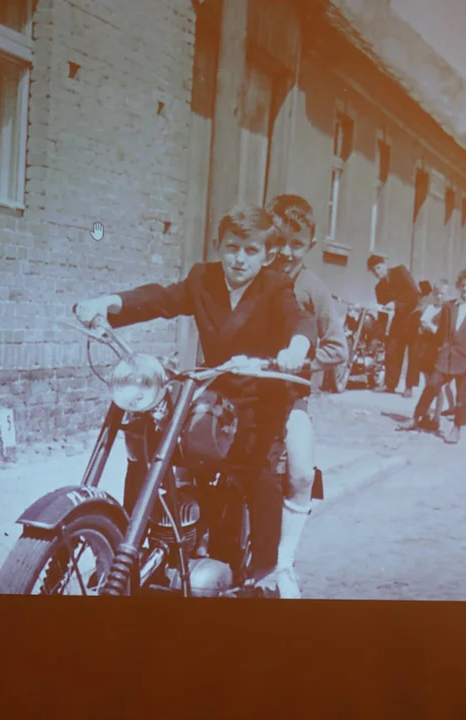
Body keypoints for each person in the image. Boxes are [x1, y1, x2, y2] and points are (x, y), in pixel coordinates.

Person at [72, 205, 316, 594]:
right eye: (233, 247)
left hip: (261, 400)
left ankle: (270, 569)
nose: (239, 258)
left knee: (259, 472)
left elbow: (298, 319)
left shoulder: (274, 287)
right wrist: (108, 302)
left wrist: (297, 347)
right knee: (149, 442)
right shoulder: (204, 278)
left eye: (251, 250)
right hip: (212, 395)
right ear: (219, 246)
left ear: (266, 255)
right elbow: (160, 298)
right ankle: (130, 547)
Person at [260, 193, 349, 598]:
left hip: (288, 397)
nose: (287, 252)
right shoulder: (254, 275)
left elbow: (337, 348)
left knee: (299, 472)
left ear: (310, 245)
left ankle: (284, 565)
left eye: (297, 243)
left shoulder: (312, 289)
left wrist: (301, 363)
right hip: (239, 391)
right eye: (279, 241)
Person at [399, 269, 466, 445]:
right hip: (446, 357)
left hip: (465, 359)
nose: (465, 289)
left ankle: (456, 428)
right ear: (458, 286)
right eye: (462, 286)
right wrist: (441, 348)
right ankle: (416, 417)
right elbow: (441, 331)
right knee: (432, 385)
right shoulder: (450, 307)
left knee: (461, 396)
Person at [367, 254, 422, 398]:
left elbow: (414, 293)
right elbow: (382, 313)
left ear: (385, 265)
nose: (377, 272)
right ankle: (390, 384)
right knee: (392, 349)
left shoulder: (400, 272)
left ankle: (409, 387)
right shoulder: (379, 288)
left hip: (414, 316)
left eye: (378, 267)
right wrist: (379, 334)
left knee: (413, 354)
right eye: (373, 270)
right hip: (399, 320)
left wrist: (396, 304)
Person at [415, 278, 456, 429]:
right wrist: (424, 326)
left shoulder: (448, 311)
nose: (440, 297)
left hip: (439, 350)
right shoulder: (431, 308)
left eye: (443, 294)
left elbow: (444, 332)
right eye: (437, 293)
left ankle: (437, 417)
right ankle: (425, 414)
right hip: (426, 348)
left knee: (436, 385)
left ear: (448, 295)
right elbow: (421, 322)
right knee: (427, 383)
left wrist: (430, 327)